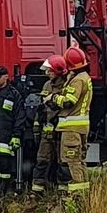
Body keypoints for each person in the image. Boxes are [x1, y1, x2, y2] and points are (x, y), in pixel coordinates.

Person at [49, 46, 93, 194]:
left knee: (72, 161)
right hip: (80, 127)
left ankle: (77, 195)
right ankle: (83, 193)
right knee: (79, 161)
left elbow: (69, 101)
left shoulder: (78, 80)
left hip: (71, 129)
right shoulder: (84, 77)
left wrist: (53, 98)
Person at [31, 55, 69, 195]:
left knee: (62, 162)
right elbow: (41, 108)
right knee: (42, 160)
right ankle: (37, 190)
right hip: (47, 132)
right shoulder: (47, 85)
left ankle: (62, 190)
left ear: (58, 70)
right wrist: (37, 125)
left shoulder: (67, 86)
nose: (47, 73)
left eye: (50, 70)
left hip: (61, 131)